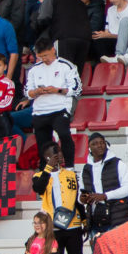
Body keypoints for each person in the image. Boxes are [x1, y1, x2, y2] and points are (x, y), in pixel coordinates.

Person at [23, 36, 81, 169]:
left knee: (64, 134)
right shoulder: (34, 69)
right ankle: (46, 171)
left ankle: (70, 167)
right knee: (43, 144)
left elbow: (77, 89)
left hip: (59, 108)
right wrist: (36, 92)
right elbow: (27, 92)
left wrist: (57, 90)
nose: (44, 59)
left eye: (46, 55)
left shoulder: (66, 65)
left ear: (53, 50)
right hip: (40, 110)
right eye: (41, 56)